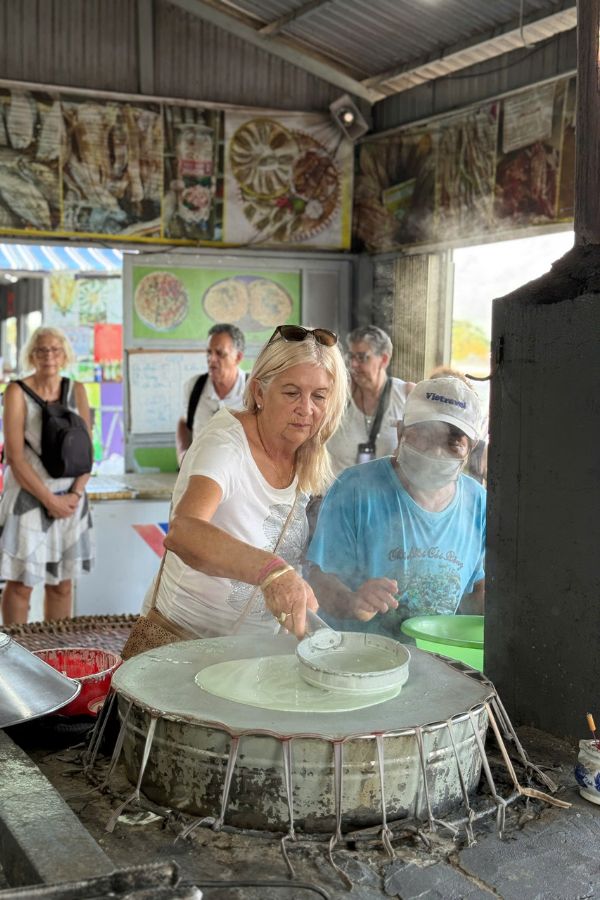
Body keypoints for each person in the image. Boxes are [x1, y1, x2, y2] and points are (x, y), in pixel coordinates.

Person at [137, 325, 348, 649]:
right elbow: (183, 531)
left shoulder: (304, 453)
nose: (306, 409)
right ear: (260, 392)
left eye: (319, 396)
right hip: (179, 643)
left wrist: (341, 594)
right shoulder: (226, 443)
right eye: (291, 392)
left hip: (249, 653)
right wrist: (273, 571)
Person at [306, 376, 486, 639]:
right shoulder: (356, 488)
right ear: (400, 431)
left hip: (441, 664)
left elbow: (478, 590)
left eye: (452, 443)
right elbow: (319, 578)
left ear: (470, 448)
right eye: (424, 436)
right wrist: (353, 600)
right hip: (360, 657)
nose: (436, 452)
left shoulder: (479, 502)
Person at [0, 327, 94, 625]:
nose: (48, 356)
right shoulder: (16, 391)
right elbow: (14, 456)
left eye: (55, 350)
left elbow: (87, 451)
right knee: (20, 584)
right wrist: (49, 500)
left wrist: (75, 494)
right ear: (32, 355)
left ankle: (56, 655)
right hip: (29, 497)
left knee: (62, 583)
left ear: (64, 354)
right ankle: (15, 660)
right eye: (41, 350)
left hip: (70, 499)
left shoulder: (76, 390)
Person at [326, 325, 415, 476]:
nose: (353, 364)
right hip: (336, 495)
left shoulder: (407, 394)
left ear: (384, 360)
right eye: (351, 357)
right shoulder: (337, 392)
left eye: (361, 357)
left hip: (386, 496)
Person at [176, 323, 246, 465]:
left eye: (220, 353)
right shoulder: (194, 387)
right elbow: (184, 422)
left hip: (240, 477)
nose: (211, 359)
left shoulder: (254, 389)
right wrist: (182, 451)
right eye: (209, 352)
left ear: (238, 357)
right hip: (199, 472)